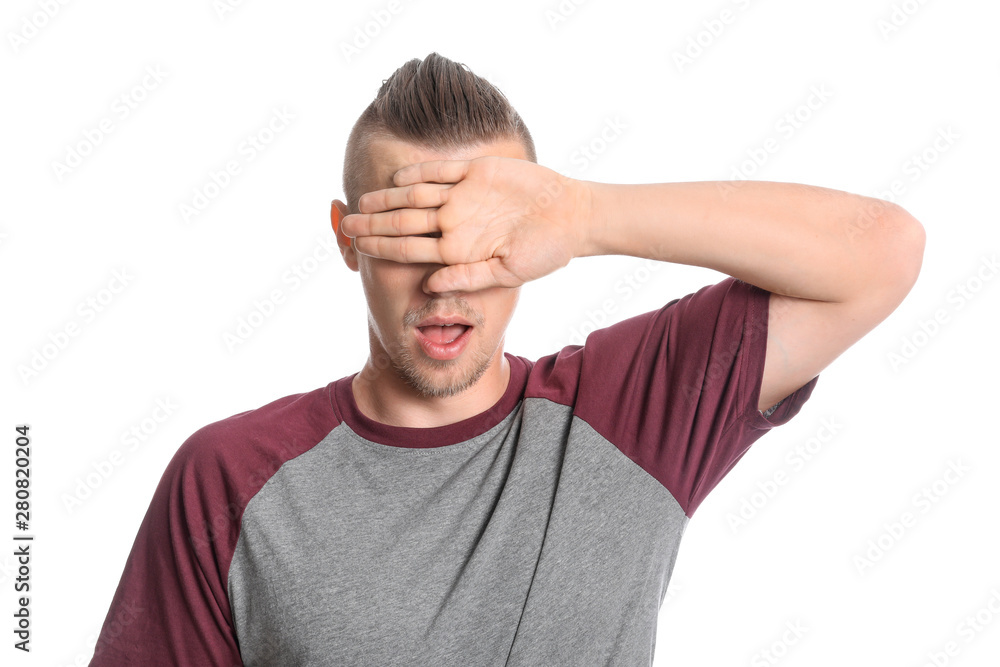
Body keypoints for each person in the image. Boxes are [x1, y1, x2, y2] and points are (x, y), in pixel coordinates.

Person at [89, 52, 924, 666]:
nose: (447, 280)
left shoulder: (630, 412)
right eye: (414, 236)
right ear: (348, 239)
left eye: (484, 239)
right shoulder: (229, 478)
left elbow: (881, 252)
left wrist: (584, 212)